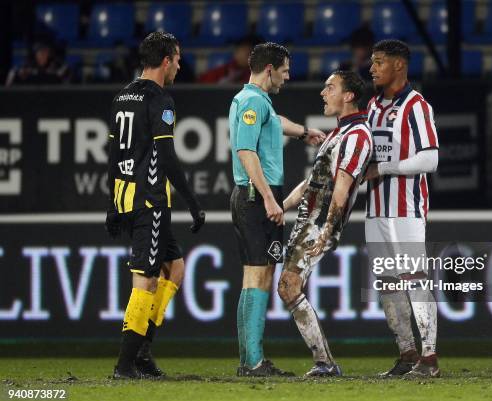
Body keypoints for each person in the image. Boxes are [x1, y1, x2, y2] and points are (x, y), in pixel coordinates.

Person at [105, 31, 206, 379]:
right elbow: (166, 157)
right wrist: (193, 202)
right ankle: (124, 365)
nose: (179, 64)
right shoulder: (160, 100)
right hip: (149, 201)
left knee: (174, 268)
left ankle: (143, 351)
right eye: (177, 58)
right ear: (165, 61)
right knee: (145, 280)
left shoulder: (122, 97)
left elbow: (114, 153)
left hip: (127, 196)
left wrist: (112, 204)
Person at [229, 42, 325, 377]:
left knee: (253, 276)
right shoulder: (253, 102)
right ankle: (253, 362)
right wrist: (270, 198)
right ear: (269, 69)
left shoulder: (255, 99)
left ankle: (248, 359)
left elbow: (274, 121)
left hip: (252, 195)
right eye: (284, 70)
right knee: (260, 276)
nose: (288, 76)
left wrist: (303, 133)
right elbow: (246, 152)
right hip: (257, 197)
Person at [278, 70, 372, 376]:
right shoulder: (336, 134)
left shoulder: (358, 135)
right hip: (308, 221)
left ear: (349, 95)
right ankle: (324, 362)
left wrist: (327, 230)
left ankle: (325, 363)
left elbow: (343, 187)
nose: (323, 93)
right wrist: (281, 207)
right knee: (287, 288)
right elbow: (311, 183)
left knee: (288, 286)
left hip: (319, 224)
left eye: (330, 88)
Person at [363, 39, 440, 378]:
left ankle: (430, 357)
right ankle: (407, 353)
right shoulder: (372, 106)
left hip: (405, 208)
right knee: (388, 282)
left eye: (379, 62)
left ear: (398, 65)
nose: (372, 68)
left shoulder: (416, 106)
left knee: (415, 278)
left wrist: (384, 168)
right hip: (375, 209)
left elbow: (430, 158)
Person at [5, 40, 71, 86]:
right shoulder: (29, 64)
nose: (43, 55)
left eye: (45, 52)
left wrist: (59, 74)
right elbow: (15, 72)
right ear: (36, 54)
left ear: (49, 54)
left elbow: (65, 73)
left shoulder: (56, 64)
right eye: (40, 53)